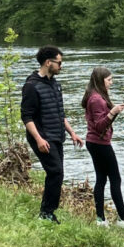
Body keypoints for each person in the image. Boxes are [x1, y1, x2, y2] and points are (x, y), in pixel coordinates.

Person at [20, 45, 84, 223]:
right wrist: (39, 139)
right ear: (48, 63)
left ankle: (48, 211)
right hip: (41, 137)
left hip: (57, 135)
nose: (61, 66)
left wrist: (72, 133)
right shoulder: (31, 86)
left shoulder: (55, 84)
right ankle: (46, 213)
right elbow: (26, 117)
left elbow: (59, 113)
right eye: (59, 63)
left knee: (57, 173)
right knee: (56, 172)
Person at [82, 65, 124, 228]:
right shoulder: (96, 99)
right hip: (100, 144)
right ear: (101, 81)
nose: (111, 83)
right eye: (109, 80)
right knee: (115, 178)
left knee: (101, 178)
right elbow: (100, 126)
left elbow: (99, 122)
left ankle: (101, 220)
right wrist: (113, 112)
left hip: (94, 143)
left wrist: (114, 110)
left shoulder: (96, 96)